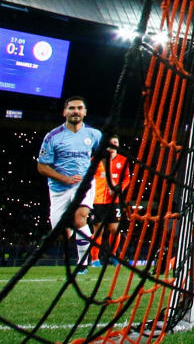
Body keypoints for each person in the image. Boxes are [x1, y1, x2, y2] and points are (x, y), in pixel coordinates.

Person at [37, 96, 102, 273]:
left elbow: (105, 153)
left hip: (84, 184)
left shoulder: (94, 135)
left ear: (85, 112)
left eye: (79, 108)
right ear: (64, 112)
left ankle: (83, 263)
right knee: (60, 232)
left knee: (80, 216)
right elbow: (42, 167)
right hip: (59, 188)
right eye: (72, 108)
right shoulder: (52, 136)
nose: (76, 111)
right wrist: (64, 178)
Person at [89, 134, 130, 266]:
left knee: (115, 229)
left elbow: (126, 179)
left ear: (118, 145)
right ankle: (95, 259)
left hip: (114, 201)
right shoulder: (96, 160)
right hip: (97, 200)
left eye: (115, 142)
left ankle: (113, 256)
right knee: (98, 230)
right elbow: (87, 177)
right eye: (110, 143)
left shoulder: (123, 160)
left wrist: (118, 189)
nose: (113, 145)